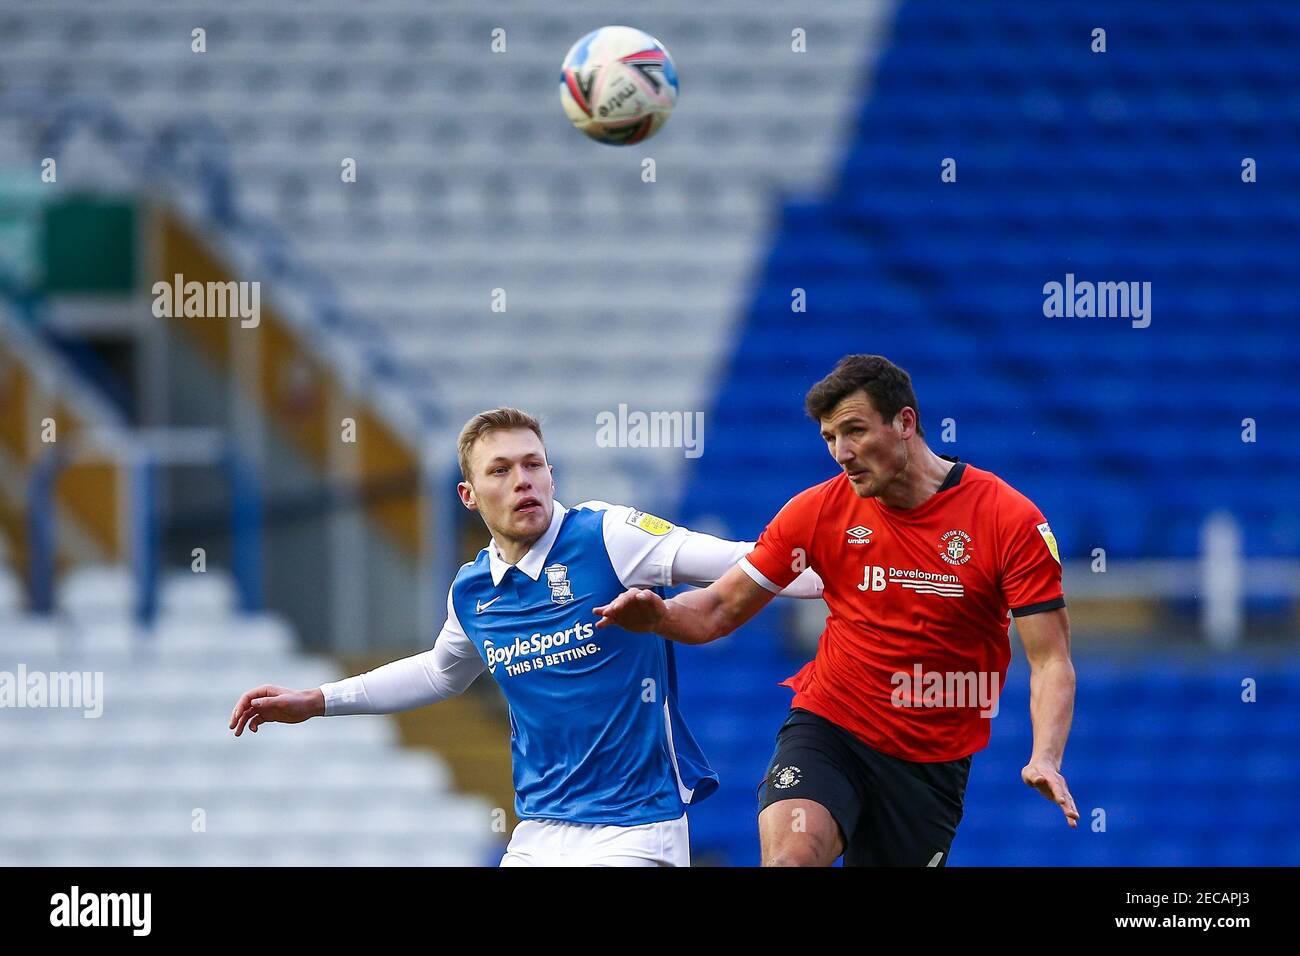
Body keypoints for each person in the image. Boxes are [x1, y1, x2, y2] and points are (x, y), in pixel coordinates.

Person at [229, 407, 822, 866]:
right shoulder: (473, 591)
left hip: (634, 827)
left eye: (534, 464)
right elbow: (440, 671)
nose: (524, 480)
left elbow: (747, 562)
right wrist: (318, 701)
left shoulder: (608, 536)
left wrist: (847, 581)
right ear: (469, 496)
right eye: (501, 470)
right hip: (540, 832)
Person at [595, 355, 1078, 866]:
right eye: (829, 437)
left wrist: (1045, 756)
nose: (841, 453)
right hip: (831, 727)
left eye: (854, 430)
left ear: (905, 423)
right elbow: (718, 608)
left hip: (931, 763)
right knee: (791, 858)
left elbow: (1051, 659)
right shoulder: (818, 511)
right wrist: (659, 616)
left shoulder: (1008, 520)